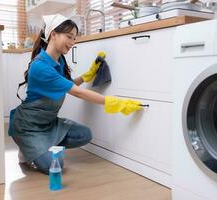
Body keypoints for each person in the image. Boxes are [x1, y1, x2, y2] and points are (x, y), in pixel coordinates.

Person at [8, 14, 142, 175]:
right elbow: (77, 92)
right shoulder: (40, 66)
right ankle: (27, 149)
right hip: (28, 127)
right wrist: (117, 103)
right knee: (55, 165)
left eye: (74, 38)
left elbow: (69, 85)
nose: (73, 42)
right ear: (53, 34)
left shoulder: (60, 61)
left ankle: (41, 147)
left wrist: (88, 74)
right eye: (69, 37)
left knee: (84, 134)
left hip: (48, 124)